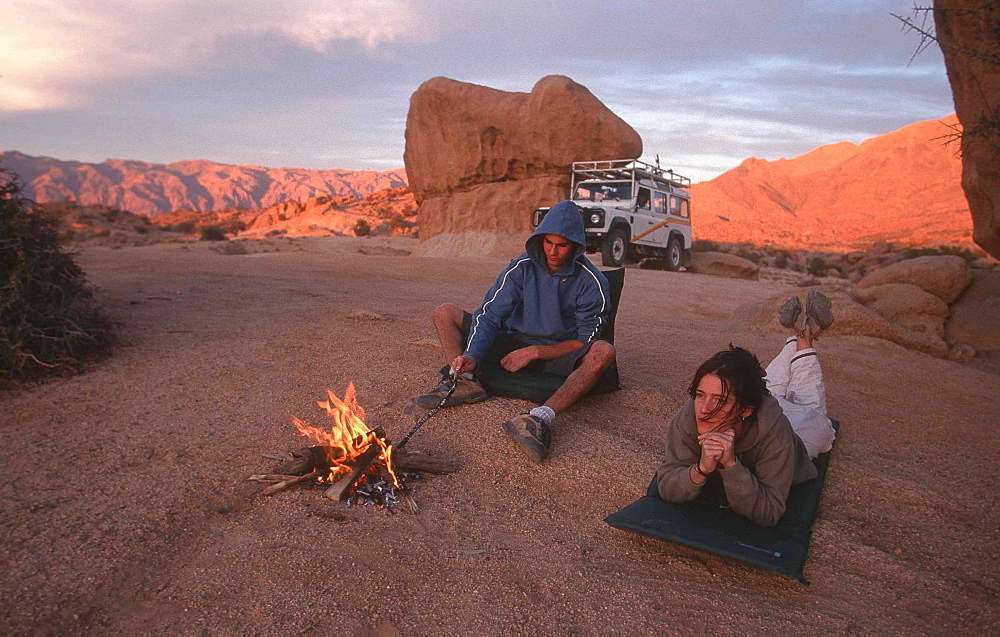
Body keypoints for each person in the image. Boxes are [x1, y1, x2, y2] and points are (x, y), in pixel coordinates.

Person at [414, 200, 617, 462]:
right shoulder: (520, 268)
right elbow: (489, 315)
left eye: (562, 245)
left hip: (558, 355)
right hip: (512, 343)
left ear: (576, 246)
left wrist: (535, 352)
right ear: (540, 240)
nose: (553, 252)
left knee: (603, 351)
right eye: (548, 243)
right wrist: (473, 354)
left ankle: (539, 419)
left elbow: (586, 339)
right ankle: (463, 380)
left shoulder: (592, 281)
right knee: (445, 312)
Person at [655, 292, 837, 526]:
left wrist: (731, 465)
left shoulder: (777, 435)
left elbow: (769, 511)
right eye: (700, 395)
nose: (704, 409)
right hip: (751, 401)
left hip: (794, 428)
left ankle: (804, 340)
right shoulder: (691, 414)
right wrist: (700, 469)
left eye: (719, 400)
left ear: (746, 410)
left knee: (810, 410)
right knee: (764, 382)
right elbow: (667, 486)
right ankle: (799, 334)